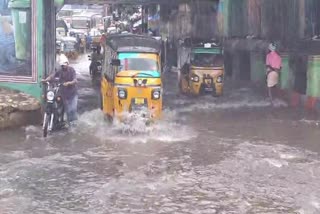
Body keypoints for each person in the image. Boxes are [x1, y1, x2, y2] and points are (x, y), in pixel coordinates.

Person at [42, 56, 78, 125]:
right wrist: (46, 79)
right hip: (63, 92)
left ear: (67, 63)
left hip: (72, 93)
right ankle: (60, 120)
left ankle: (73, 124)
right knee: (61, 105)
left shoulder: (72, 70)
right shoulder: (60, 70)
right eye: (62, 66)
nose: (63, 67)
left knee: (72, 109)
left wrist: (69, 83)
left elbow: (75, 80)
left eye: (64, 65)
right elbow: (53, 75)